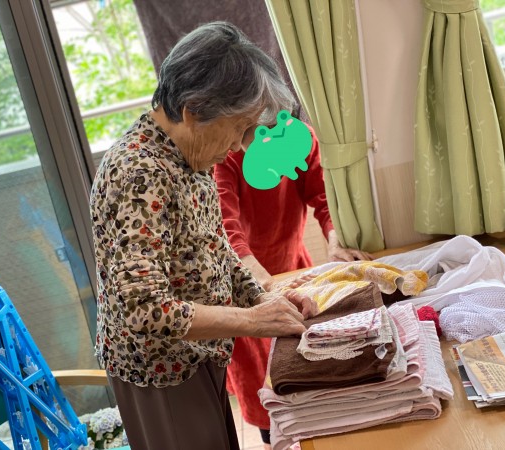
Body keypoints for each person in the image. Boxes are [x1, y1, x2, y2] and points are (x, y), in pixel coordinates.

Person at [90, 22, 318, 450]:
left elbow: (217, 250)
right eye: (239, 128)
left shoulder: (189, 157)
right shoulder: (140, 173)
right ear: (193, 109)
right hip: (160, 371)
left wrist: (265, 299)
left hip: (197, 356)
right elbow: (144, 309)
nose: (241, 146)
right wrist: (253, 321)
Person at [214, 120, 372, 448]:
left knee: (311, 369)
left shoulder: (299, 137)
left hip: (293, 272)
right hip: (242, 287)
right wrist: (265, 285)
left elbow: (324, 196)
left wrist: (335, 241)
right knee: (264, 389)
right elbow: (226, 227)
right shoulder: (226, 150)